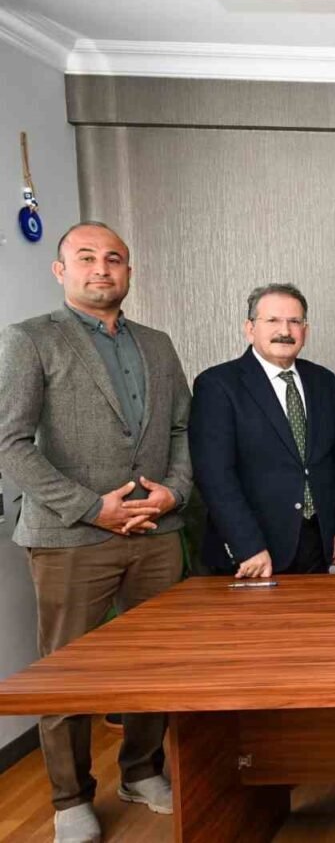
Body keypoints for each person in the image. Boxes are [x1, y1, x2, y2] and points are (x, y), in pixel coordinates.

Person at [0, 221, 190, 841]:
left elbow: (181, 430)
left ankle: (142, 770)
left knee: (156, 665)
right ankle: (69, 798)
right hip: (71, 537)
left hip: (156, 532)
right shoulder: (30, 339)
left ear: (129, 271)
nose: (102, 268)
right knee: (67, 672)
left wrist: (175, 491)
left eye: (114, 258)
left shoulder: (157, 343)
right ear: (61, 270)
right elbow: (10, 443)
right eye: (86, 257)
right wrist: (89, 507)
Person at [190, 284, 335, 577]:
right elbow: (214, 477)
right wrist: (247, 546)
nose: (285, 330)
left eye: (294, 321)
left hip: (317, 541)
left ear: (305, 330)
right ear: (250, 328)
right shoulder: (217, 385)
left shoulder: (323, 381)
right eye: (273, 320)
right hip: (255, 548)